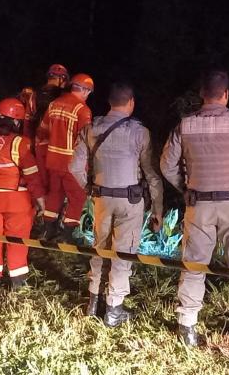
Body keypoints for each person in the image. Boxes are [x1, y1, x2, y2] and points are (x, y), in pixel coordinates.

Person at [160, 69, 229, 350]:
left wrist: (185, 188)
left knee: (194, 264)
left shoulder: (184, 126)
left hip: (198, 206)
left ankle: (187, 326)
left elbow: (166, 166)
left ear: (202, 93)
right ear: (225, 94)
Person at [70, 82, 164, 326]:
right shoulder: (140, 132)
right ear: (131, 102)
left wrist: (89, 189)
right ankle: (114, 309)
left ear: (110, 102)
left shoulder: (90, 129)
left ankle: (93, 301)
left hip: (102, 198)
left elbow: (74, 167)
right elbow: (151, 174)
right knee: (123, 252)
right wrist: (157, 209)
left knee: (100, 247)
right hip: (130, 200)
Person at [0, 98, 47, 290]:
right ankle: (17, 282)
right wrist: (41, 202)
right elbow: (32, 176)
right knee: (17, 239)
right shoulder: (20, 143)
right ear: (16, 121)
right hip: (16, 200)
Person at [36, 73, 94, 239]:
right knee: (77, 196)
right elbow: (86, 140)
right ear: (84, 90)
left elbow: (42, 131)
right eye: (88, 92)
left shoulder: (54, 104)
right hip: (71, 163)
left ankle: (48, 230)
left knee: (55, 193)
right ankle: (68, 234)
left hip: (53, 160)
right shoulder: (82, 110)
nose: (88, 95)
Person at [20, 63, 69, 152]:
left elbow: (28, 122)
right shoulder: (64, 98)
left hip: (38, 144)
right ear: (61, 79)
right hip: (58, 146)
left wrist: (27, 142)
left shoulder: (34, 95)